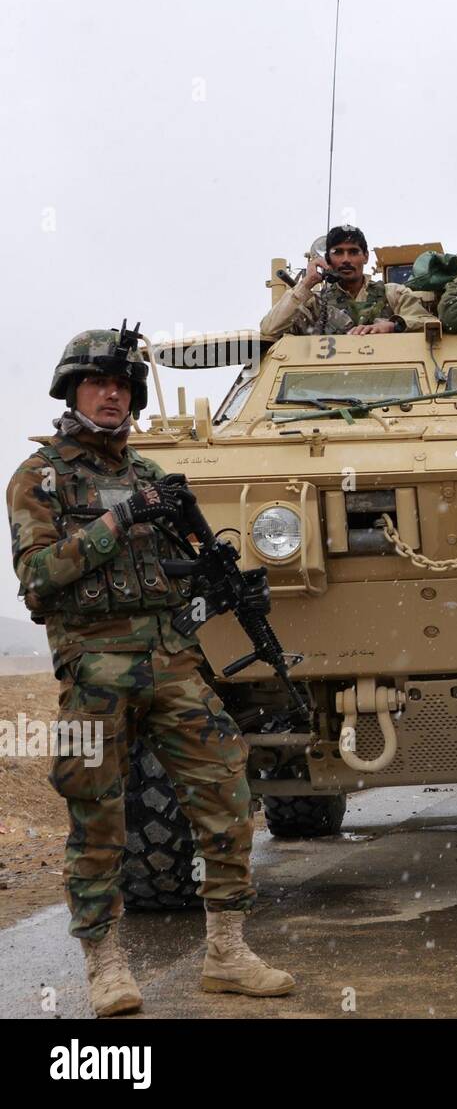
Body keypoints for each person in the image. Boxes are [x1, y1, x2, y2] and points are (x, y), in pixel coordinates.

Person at [6, 326, 294, 1017]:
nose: (114, 395)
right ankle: (105, 964)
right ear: (72, 390)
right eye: (100, 383)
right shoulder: (40, 479)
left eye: (125, 386)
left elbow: (175, 577)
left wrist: (224, 590)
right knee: (97, 817)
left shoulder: (151, 478)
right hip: (94, 670)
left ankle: (227, 950)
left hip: (173, 663)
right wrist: (118, 521)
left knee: (228, 795)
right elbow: (40, 579)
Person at [260, 224, 431, 338]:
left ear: (365, 257)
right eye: (338, 252)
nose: (346, 260)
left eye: (353, 252)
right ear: (327, 259)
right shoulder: (316, 304)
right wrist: (305, 284)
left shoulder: (393, 294)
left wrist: (394, 325)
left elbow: (429, 322)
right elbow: (269, 329)